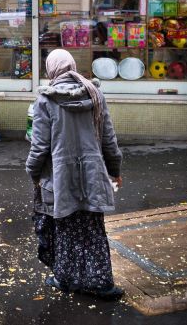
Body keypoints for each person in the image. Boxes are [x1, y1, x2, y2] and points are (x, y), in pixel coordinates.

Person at [26, 49, 123, 300]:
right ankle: (102, 284)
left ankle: (66, 279)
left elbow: (39, 147)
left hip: (59, 179)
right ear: (72, 66)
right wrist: (114, 171)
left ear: (51, 69)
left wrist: (33, 173)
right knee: (92, 229)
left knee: (65, 229)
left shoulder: (46, 101)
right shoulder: (96, 95)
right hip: (92, 176)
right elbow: (109, 140)